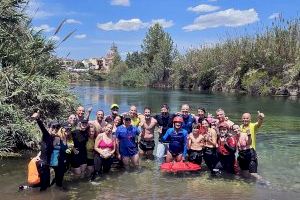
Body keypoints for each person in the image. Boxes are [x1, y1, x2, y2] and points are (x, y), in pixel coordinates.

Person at [31, 111, 59, 191]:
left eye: (57, 128)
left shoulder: (52, 138)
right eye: (53, 127)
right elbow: (42, 127)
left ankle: (28, 188)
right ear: (49, 127)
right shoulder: (46, 135)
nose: (55, 129)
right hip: (43, 164)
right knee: (44, 187)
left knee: (46, 185)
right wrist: (37, 119)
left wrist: (37, 155)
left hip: (45, 164)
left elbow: (44, 148)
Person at [239, 111, 265, 179]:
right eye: (244, 118)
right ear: (241, 119)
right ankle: (248, 187)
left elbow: (259, 123)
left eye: (247, 118)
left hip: (251, 152)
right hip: (242, 153)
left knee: (253, 174)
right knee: (244, 172)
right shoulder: (240, 127)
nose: (245, 119)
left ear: (250, 119)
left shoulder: (253, 126)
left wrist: (261, 118)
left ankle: (264, 183)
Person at [50, 124, 71, 189]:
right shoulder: (57, 137)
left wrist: (67, 150)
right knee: (59, 175)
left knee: (60, 175)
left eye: (69, 129)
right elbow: (51, 147)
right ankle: (59, 188)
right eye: (66, 128)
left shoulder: (66, 138)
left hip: (63, 160)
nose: (68, 130)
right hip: (57, 160)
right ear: (62, 129)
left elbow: (64, 148)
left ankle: (57, 186)